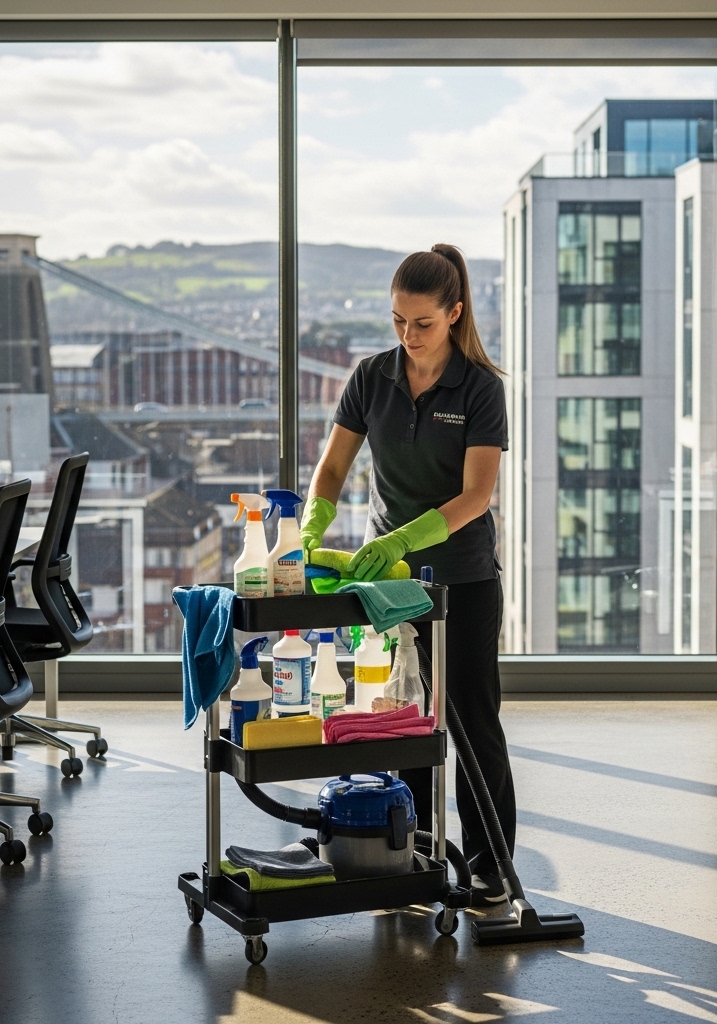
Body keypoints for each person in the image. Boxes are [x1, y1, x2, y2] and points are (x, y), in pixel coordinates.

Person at [299, 243, 515, 905]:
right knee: (404, 721)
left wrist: (404, 536)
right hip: (389, 584)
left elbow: (477, 495)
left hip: (463, 577)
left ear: (453, 313)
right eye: (397, 321)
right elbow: (334, 469)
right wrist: (311, 526)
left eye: (422, 323)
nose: (408, 335)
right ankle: (413, 853)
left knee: (471, 721)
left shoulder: (481, 388)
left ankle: (490, 867)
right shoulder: (371, 377)